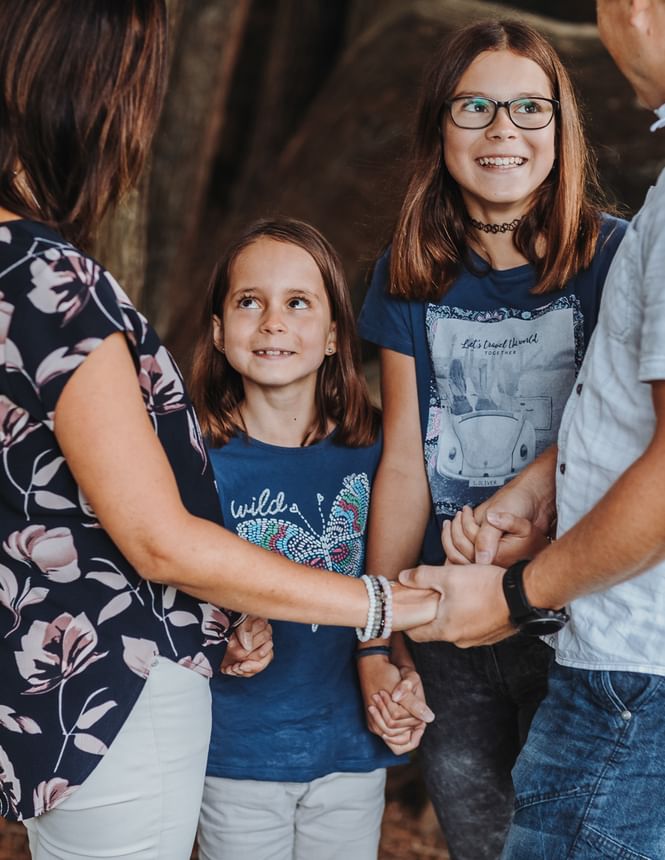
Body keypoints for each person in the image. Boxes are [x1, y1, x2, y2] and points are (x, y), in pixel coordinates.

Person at [0, 3, 438, 858]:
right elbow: (162, 543)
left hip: (44, 683)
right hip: (109, 688)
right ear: (84, 91)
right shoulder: (46, 277)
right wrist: (386, 604)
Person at [356, 18, 628, 860]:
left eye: (526, 108)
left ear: (560, 128)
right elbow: (404, 462)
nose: (501, 129)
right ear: (439, 126)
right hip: (452, 622)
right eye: (474, 106)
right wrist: (380, 629)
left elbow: (630, 437)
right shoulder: (407, 273)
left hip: (578, 620)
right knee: (482, 844)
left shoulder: (611, 257)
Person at [189, 217, 424, 860]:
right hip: (235, 751)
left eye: (298, 302)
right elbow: (169, 590)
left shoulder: (379, 452)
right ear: (217, 330)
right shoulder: (195, 462)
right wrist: (222, 637)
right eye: (248, 302)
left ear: (332, 336)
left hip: (350, 746)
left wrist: (401, 674)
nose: (272, 321)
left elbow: (394, 582)